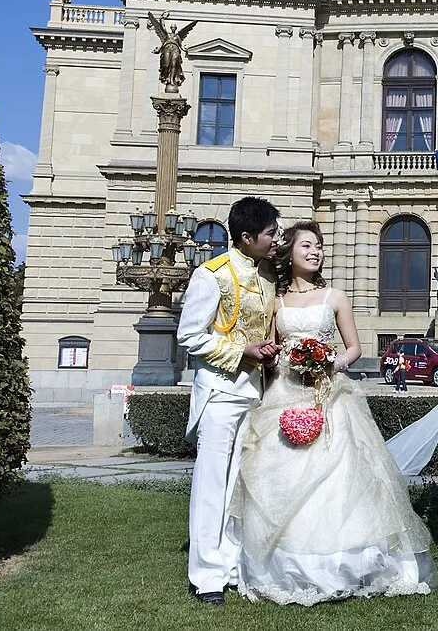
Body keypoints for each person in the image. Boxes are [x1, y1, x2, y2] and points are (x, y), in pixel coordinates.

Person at [229, 221, 436, 605]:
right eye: (307, 245)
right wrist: (281, 359)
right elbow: (272, 347)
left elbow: (354, 347)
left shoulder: (335, 297)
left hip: (330, 394)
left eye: (319, 246)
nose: (315, 252)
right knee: (280, 473)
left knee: (341, 476)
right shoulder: (276, 301)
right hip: (283, 395)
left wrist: (330, 364)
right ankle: (279, 563)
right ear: (289, 252)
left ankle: (347, 563)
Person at [176, 197, 281, 604]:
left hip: (253, 394)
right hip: (220, 393)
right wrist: (243, 353)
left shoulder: (266, 277)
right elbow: (190, 335)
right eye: (270, 233)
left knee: (238, 484)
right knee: (211, 485)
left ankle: (231, 564)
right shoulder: (211, 274)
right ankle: (206, 577)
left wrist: (267, 352)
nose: (276, 240)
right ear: (247, 237)